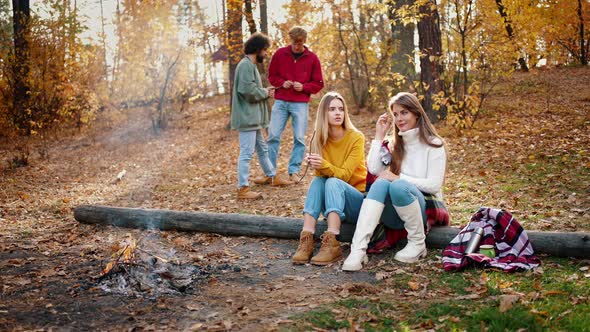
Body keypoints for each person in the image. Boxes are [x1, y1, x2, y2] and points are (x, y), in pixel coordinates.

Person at [342, 92, 447, 271]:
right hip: (394, 214)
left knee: (398, 185)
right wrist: (378, 136)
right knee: (381, 182)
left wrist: (399, 178)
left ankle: (417, 244)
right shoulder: (394, 144)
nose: (399, 118)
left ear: (416, 113)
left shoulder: (434, 144)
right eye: (395, 114)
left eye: (404, 112)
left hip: (423, 209)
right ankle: (358, 249)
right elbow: (374, 169)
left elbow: (434, 185)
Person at [292, 92, 367, 266]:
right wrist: (315, 165)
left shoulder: (356, 137)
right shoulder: (319, 138)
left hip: (356, 202)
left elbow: (345, 175)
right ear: (323, 113)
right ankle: (307, 239)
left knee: (333, 181)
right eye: (332, 109)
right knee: (318, 182)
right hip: (333, 204)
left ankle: (333, 241)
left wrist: (323, 164)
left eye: (341, 109)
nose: (337, 113)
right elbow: (322, 177)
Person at [231, 32, 291, 200]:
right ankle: (242, 188)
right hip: (247, 118)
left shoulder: (251, 66)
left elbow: (252, 89)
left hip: (254, 119)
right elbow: (247, 91)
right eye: (264, 50)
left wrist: (266, 90)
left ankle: (272, 175)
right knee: (247, 153)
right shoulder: (245, 66)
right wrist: (265, 91)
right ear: (257, 49)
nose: (265, 53)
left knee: (262, 149)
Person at [260, 26, 324, 182]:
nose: (297, 46)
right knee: (273, 135)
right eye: (294, 43)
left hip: (300, 104)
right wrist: (282, 83)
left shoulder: (312, 58)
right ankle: (270, 173)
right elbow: (272, 76)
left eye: (300, 43)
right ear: (290, 40)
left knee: (300, 138)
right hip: (281, 101)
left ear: (304, 41)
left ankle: (293, 171)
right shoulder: (280, 54)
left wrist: (304, 87)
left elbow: (318, 83)